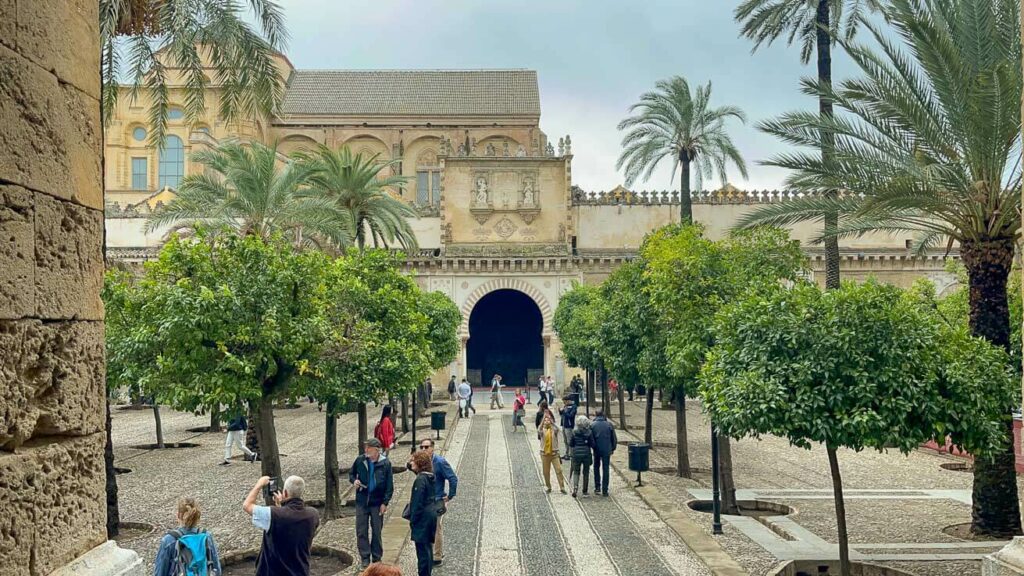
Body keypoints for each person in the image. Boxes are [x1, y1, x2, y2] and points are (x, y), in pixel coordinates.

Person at [243, 475, 320, 576]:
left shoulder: (273, 514)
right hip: (300, 571)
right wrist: (281, 507)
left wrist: (259, 484)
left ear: (285, 492)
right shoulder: (313, 514)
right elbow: (290, 523)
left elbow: (247, 505)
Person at [349, 438, 394, 569]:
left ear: (376, 449)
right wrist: (354, 481)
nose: (366, 450)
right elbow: (351, 474)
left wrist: (385, 503)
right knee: (361, 530)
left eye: (369, 447)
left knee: (376, 531)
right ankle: (364, 557)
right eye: (366, 447)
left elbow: (389, 486)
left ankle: (376, 557)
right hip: (362, 501)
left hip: (377, 502)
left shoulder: (385, 463)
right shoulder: (360, 460)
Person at [153, 497, 222, 576]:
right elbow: (216, 569)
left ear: (178, 515)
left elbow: (160, 572)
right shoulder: (207, 536)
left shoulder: (169, 540)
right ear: (197, 516)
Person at [419, 437, 457, 565]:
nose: (424, 449)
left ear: (432, 447)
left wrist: (450, 495)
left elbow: (453, 478)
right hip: (424, 501)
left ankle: (437, 556)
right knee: (427, 528)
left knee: (436, 528)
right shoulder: (422, 462)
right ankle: (430, 552)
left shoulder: (440, 462)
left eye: (426, 447)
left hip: (436, 500)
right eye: (422, 447)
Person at [407, 449, 437, 576]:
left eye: (413, 460)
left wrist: (413, 520)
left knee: (422, 552)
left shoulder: (421, 480)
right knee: (427, 549)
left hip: (423, 519)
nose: (411, 462)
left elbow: (417, 502)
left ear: (419, 462)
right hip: (430, 516)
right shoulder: (430, 477)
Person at [591, 409, 618, 497]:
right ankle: (605, 490)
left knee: (596, 467)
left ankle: (597, 486)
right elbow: (614, 438)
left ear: (596, 415)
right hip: (607, 450)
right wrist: (613, 448)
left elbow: (591, 438)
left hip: (597, 449)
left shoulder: (593, 425)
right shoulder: (609, 424)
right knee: (605, 468)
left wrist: (593, 447)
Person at [537, 413, 567, 494]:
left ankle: (562, 487)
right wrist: (543, 419)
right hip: (545, 454)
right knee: (546, 472)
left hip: (554, 454)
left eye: (548, 420)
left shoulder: (554, 430)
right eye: (545, 420)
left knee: (559, 470)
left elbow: (558, 429)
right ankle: (548, 486)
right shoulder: (542, 430)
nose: (547, 421)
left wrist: (552, 422)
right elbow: (538, 429)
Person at [569, 415, 595, 498]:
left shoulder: (574, 432)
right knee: (586, 472)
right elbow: (593, 444)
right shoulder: (589, 432)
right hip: (586, 454)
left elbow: (571, 444)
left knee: (576, 471)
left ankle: (575, 488)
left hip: (576, 454)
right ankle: (585, 491)